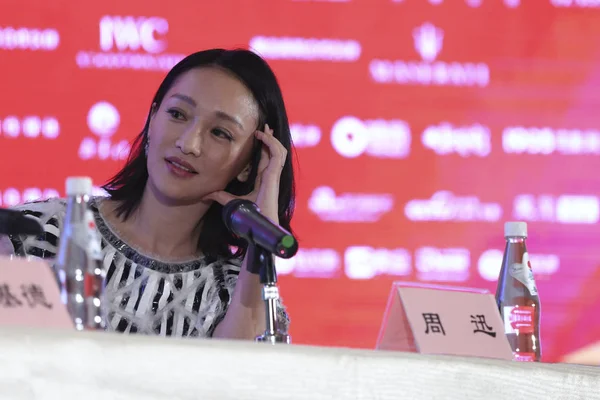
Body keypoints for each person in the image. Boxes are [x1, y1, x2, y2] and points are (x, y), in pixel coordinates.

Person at [2, 48, 296, 340]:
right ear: (153, 118)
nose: (188, 143)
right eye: (177, 114)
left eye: (220, 133)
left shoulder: (231, 292)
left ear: (248, 165)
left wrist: (263, 218)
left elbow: (245, 375)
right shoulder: (40, 234)